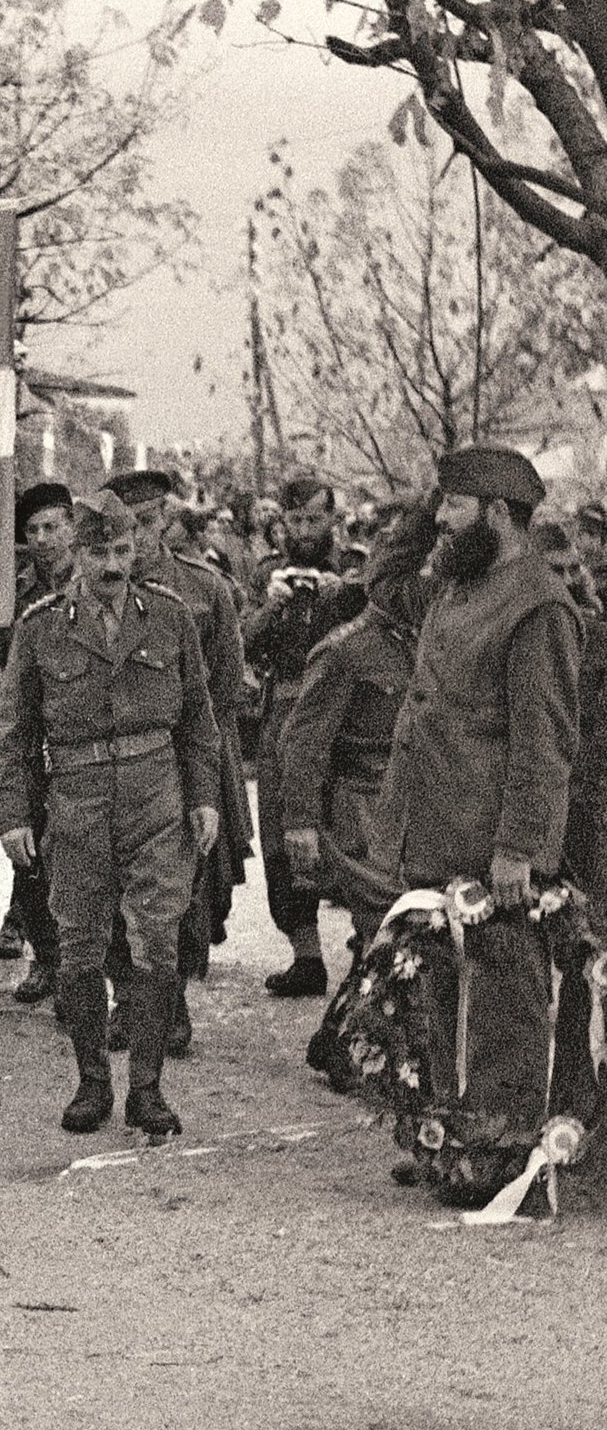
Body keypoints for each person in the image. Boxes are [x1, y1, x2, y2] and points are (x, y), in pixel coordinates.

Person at [366, 447, 581, 1197]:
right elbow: (384, 581)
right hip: (433, 824)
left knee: (502, 1001)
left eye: (453, 507)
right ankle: (446, 1139)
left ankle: (498, 1154)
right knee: (440, 991)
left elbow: (543, 740)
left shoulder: (536, 605)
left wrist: (521, 848)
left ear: (495, 513)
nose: (438, 522)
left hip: (491, 842)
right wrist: (420, 506)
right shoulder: (459, 585)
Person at [0, 490, 221, 1139]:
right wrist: (12, 813)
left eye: (121, 550)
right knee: (80, 942)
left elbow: (200, 721)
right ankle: (93, 1083)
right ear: (76, 554)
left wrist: (203, 798)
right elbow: (11, 730)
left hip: (156, 794)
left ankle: (146, 1090)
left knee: (156, 940)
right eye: (99, 553)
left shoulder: (170, 619)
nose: (112, 565)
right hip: (79, 797)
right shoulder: (40, 626)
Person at [280, 505, 432, 1089]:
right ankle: (356, 1047)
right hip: (360, 809)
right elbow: (304, 743)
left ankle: (341, 1041)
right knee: (384, 931)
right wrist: (300, 822)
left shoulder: (430, 642)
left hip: (412, 807)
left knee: (397, 934)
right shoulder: (347, 649)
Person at [104, 468, 252, 1057]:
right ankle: (129, 999)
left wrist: (203, 776)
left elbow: (222, 687)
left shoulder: (205, 589)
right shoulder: (88, 593)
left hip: (183, 760)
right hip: (112, 767)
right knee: (112, 884)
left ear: (165, 519)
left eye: (145, 523)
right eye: (122, 527)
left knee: (182, 892)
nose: (135, 539)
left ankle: (169, 1002)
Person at [243, 473, 367, 999]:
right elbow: (242, 642)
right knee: (280, 835)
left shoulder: (358, 571)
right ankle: (307, 955)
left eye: (315, 518)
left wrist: (345, 597)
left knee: (347, 828)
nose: (304, 529)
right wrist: (272, 603)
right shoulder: (266, 573)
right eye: (295, 519)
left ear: (333, 520)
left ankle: (369, 948)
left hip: (343, 718)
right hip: (282, 714)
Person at [0, 481, 78, 1003]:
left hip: (73, 726)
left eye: (53, 527)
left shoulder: (92, 579)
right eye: (33, 530)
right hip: (28, 726)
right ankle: (48, 960)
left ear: (72, 527)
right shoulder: (14, 591)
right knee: (29, 853)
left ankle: (79, 969)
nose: (44, 539)